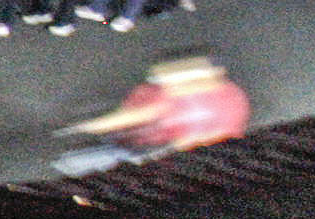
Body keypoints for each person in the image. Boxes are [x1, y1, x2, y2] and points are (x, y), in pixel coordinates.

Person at [52, 56, 253, 180]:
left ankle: (70, 166)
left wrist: (85, 127)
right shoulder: (232, 97)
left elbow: (138, 115)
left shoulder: (171, 97)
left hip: (152, 141)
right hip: (168, 144)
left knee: (106, 155)